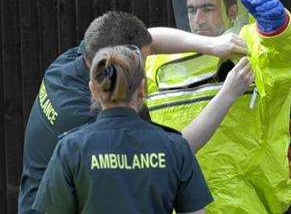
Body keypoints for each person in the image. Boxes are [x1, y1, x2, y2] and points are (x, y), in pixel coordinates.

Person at [19, 11, 251, 214]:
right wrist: (228, 93)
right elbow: (174, 151)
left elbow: (149, 40)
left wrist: (211, 45)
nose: (144, 66)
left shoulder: (71, 61)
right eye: (140, 63)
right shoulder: (83, 118)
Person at [146, 0, 291, 213]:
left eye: (207, 8)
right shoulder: (159, 61)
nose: (197, 19)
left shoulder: (253, 49)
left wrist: (280, 28)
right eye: (191, 10)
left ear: (233, 10)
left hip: (242, 203)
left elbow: (288, 55)